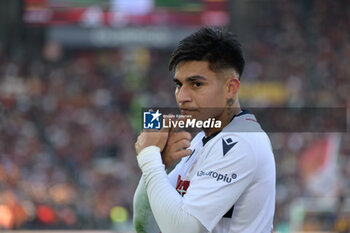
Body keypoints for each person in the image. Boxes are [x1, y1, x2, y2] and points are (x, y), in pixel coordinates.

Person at [133, 27, 276, 233]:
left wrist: (149, 156)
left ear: (230, 88)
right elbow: (145, 224)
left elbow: (184, 230)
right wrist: (159, 164)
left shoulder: (240, 142)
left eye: (196, 84)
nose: (182, 97)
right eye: (178, 85)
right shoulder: (202, 141)